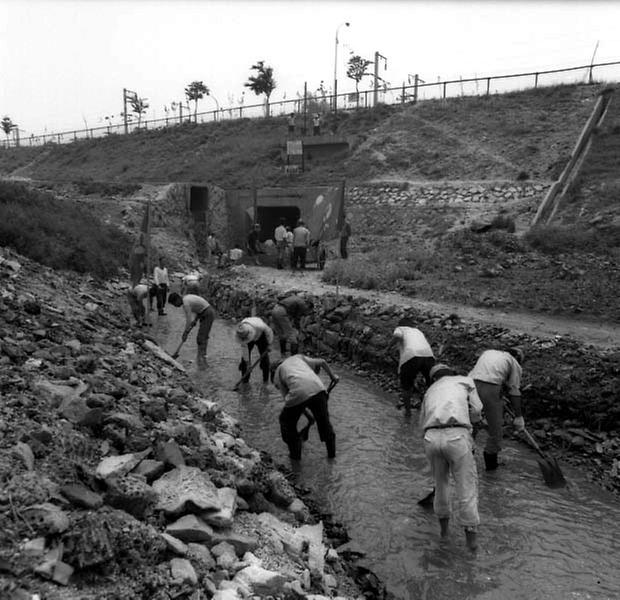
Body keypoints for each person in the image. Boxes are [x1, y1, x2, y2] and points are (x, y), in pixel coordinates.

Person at [419, 363, 482, 551]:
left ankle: (444, 536)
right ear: (451, 373)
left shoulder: (429, 391)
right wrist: (474, 424)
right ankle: (472, 545)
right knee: (466, 489)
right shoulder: (465, 381)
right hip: (456, 436)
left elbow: (421, 421)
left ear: (433, 379)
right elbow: (477, 409)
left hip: (430, 438)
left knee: (441, 486)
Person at [271, 354, 339, 460]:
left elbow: (289, 401)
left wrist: (307, 415)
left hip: (299, 392)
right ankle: (332, 457)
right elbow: (322, 362)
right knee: (325, 424)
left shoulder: (278, 373)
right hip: (319, 389)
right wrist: (332, 376)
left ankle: (295, 459)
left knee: (286, 422)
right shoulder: (298, 358)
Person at [468, 347, 525, 471]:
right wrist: (519, 417)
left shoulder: (488, 352)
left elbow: (486, 374)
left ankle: (465, 459)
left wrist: (499, 394)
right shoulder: (514, 363)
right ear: (518, 358)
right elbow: (514, 391)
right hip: (490, 389)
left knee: (471, 425)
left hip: (470, 386)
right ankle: (491, 468)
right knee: (496, 431)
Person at [391, 319, 435, 412]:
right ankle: (431, 409)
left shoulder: (400, 329)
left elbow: (397, 336)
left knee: (406, 386)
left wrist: (388, 347)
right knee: (431, 383)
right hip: (429, 355)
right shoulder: (418, 331)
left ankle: (407, 413)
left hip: (411, 355)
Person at [167, 291, 216, 369]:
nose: (176, 306)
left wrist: (185, 332)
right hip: (204, 313)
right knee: (202, 337)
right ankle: (201, 357)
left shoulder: (186, 303)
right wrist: (195, 320)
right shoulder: (187, 298)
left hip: (208, 314)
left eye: (174, 304)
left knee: (201, 338)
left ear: (177, 300)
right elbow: (199, 307)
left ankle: (202, 359)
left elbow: (188, 320)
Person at [234, 316, 274, 383]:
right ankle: (245, 381)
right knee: (244, 360)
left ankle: (265, 380)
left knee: (264, 357)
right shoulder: (241, 332)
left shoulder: (260, 326)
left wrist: (269, 344)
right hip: (249, 335)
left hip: (261, 335)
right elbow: (245, 351)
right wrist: (248, 364)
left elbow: (269, 332)